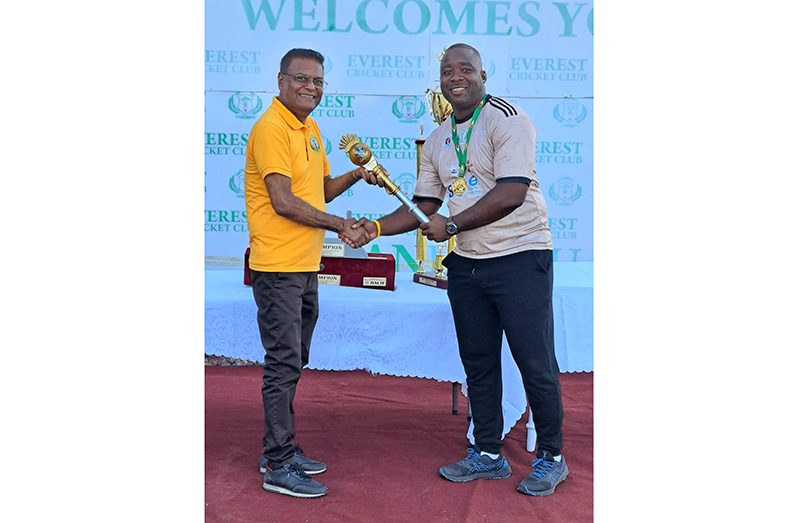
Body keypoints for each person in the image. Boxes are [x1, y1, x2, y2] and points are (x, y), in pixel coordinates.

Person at [350, 43, 568, 497]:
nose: (456, 77)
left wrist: (450, 223)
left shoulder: (508, 120)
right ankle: (487, 453)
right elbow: (424, 206)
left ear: (483, 76)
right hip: (469, 263)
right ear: (441, 81)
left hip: (521, 256)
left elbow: (511, 192)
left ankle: (552, 456)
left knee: (535, 362)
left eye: (465, 69)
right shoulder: (436, 139)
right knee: (479, 363)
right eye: (447, 71)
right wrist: (374, 227)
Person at [243, 47, 379, 498]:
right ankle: (277, 464)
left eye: (318, 82)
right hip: (278, 268)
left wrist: (359, 175)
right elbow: (283, 201)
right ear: (280, 81)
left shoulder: (312, 128)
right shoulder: (270, 129)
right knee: (283, 364)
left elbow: (319, 192)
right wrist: (342, 226)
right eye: (301, 79)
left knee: (294, 360)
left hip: (304, 266)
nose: (310, 88)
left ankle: (279, 447)